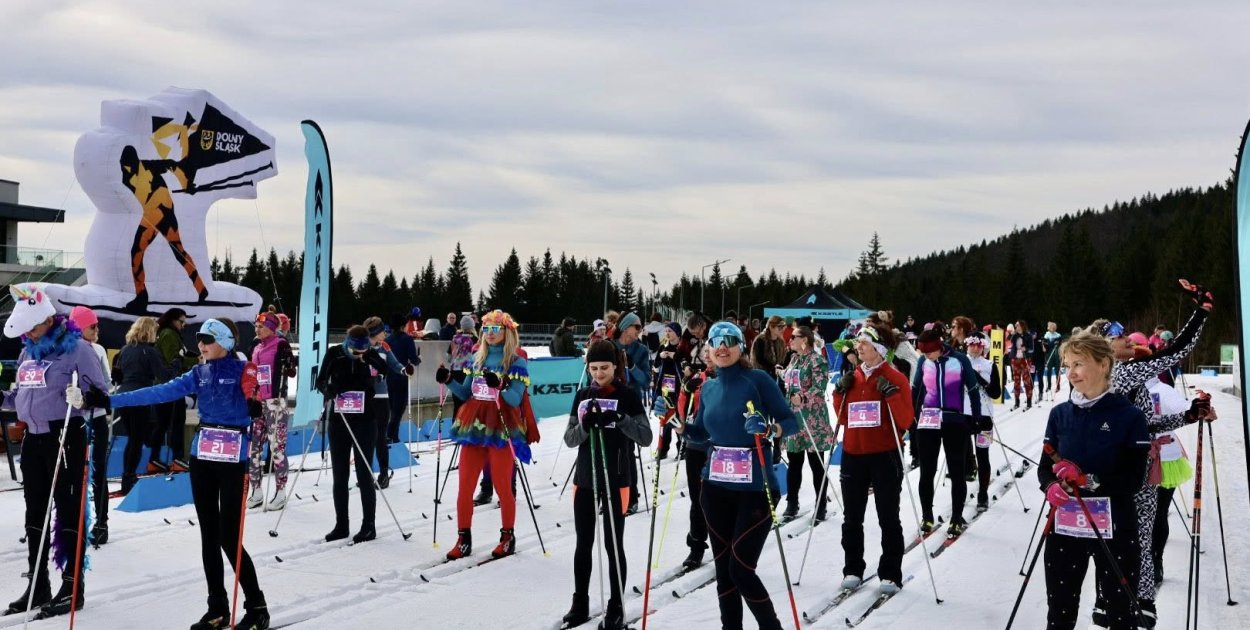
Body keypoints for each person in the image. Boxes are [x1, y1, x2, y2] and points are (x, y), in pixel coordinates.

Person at [85, 318, 271, 629]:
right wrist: (109, 400)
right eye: (199, 340)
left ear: (225, 342)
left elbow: (256, 394)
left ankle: (257, 607)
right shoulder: (199, 373)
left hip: (232, 455)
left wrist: (254, 405)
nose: (200, 345)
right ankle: (217, 607)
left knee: (229, 536)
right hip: (203, 456)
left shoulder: (243, 369)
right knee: (209, 536)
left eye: (207, 340)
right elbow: (157, 392)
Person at [1088, 280, 1213, 628]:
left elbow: (1147, 424)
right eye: (1119, 336)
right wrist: (1200, 312)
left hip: (1142, 471)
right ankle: (1124, 599)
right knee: (1121, 539)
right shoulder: (1118, 373)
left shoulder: (1133, 379)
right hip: (1120, 475)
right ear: (1103, 347)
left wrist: (1188, 415)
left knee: (1139, 538)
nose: (1128, 338)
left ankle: (1137, 600)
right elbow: (1174, 352)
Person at [673, 321, 798, 630]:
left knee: (741, 568)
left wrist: (769, 429)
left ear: (741, 347)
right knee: (724, 572)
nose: (722, 347)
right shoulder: (710, 386)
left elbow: (790, 421)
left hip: (755, 488)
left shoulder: (757, 380)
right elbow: (702, 433)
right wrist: (683, 428)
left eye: (730, 341)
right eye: (716, 341)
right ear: (709, 349)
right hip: (715, 488)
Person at [1, 285, 108, 619]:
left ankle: (72, 587)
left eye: (33, 326)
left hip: (66, 438)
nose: (29, 333)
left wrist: (85, 399)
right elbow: (17, 398)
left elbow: (104, 396)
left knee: (67, 510)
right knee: (35, 513)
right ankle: (38, 584)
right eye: (25, 329)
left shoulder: (79, 350)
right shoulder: (28, 352)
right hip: (33, 440)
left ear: (49, 319)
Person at [1039, 331, 1151, 630]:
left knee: (1119, 614)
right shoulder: (1060, 414)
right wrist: (1052, 486)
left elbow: (1133, 478)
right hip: (1066, 527)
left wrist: (1090, 479)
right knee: (1060, 613)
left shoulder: (1129, 416)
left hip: (1115, 527)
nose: (1071, 373)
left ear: (1103, 364)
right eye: (1067, 365)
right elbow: (1044, 467)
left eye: (1078, 364)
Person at [560, 340, 652, 630]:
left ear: (615, 366)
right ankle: (580, 601)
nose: (599, 374)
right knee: (583, 543)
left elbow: (645, 436)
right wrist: (586, 426)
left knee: (614, 545)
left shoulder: (628, 395)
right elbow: (569, 438)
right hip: (586, 478)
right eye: (594, 368)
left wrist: (621, 419)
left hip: (617, 477)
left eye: (605, 368)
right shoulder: (583, 395)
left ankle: (616, 605)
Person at [436, 310, 530, 560]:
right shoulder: (476, 360)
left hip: (501, 426)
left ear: (507, 332)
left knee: (502, 486)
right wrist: (448, 381)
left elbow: (514, 399)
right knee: (465, 486)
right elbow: (466, 394)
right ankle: (463, 538)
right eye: (486, 329)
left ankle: (507, 536)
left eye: (495, 329)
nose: (489, 334)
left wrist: (499, 386)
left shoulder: (516, 362)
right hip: (474, 426)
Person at [831, 321, 914, 595]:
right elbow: (844, 419)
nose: (858, 347)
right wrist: (838, 394)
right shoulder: (852, 377)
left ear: (878, 348)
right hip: (854, 454)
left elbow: (905, 420)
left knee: (888, 516)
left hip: (884, 455)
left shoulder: (895, 377)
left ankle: (890, 572)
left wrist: (891, 396)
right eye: (858, 343)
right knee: (851, 517)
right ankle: (853, 568)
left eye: (864, 343)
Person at [315, 325, 393, 544]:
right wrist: (326, 389)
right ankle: (342, 524)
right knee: (340, 475)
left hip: (365, 421)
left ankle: (369, 525)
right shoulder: (335, 353)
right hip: (339, 420)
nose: (359, 354)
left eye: (362, 350)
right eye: (355, 351)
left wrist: (369, 364)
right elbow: (320, 380)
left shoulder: (369, 355)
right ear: (348, 344)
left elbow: (385, 372)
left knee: (363, 472)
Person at [118, 145, 210, 311]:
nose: (127, 169)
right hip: (151, 214)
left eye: (129, 165)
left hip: (163, 211)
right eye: (125, 166)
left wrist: (185, 182)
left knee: (176, 252)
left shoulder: (148, 166)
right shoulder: (126, 177)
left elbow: (171, 164)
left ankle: (199, 288)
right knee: (142, 253)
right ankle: (142, 296)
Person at [911, 328, 984, 535]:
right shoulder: (923, 362)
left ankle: (956, 518)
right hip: (928, 421)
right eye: (923, 353)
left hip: (954, 420)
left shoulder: (960, 360)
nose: (926, 356)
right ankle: (926, 517)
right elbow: (916, 390)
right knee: (927, 471)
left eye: (929, 352)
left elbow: (972, 389)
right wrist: (912, 418)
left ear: (939, 347)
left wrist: (976, 418)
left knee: (957, 471)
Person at [780, 325, 834, 522]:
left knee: (816, 464)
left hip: (812, 419)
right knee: (794, 463)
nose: (790, 340)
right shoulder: (794, 359)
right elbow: (788, 382)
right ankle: (792, 503)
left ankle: (821, 505)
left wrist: (803, 397)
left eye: (794, 337)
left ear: (805, 340)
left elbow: (819, 387)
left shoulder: (817, 360)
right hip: (794, 418)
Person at [69, 306, 113, 544]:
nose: (97, 330)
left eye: (97, 325)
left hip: (95, 418)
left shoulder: (97, 349)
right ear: (79, 327)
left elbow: (105, 382)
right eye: (92, 326)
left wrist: (97, 396)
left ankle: (101, 522)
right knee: (74, 472)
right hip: (73, 421)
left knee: (98, 471)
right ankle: (75, 522)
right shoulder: (65, 351)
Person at [112, 316, 170, 496]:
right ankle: (129, 477)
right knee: (137, 440)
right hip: (140, 396)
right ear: (150, 331)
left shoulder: (125, 349)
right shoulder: (149, 351)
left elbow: (118, 376)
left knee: (133, 438)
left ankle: (127, 476)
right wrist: (177, 364)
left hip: (123, 395)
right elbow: (163, 375)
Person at [246, 312, 297, 510]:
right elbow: (251, 372)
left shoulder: (280, 343)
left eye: (261, 326)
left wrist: (288, 362)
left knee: (277, 448)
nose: (257, 330)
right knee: (255, 449)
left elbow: (291, 370)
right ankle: (256, 490)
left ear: (272, 327)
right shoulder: (256, 346)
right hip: (258, 401)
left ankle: (280, 491)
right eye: (256, 326)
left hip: (276, 401)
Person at [674, 311, 711, 570]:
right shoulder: (696, 379)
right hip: (697, 445)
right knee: (697, 499)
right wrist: (686, 389)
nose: (709, 357)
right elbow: (681, 410)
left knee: (718, 500)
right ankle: (696, 546)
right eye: (706, 354)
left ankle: (726, 543)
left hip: (722, 448)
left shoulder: (730, 380)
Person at [361, 317, 410, 490]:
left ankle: (383, 473)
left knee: (380, 436)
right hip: (364, 398)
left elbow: (394, 364)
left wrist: (404, 370)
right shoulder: (361, 346)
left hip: (381, 397)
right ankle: (364, 473)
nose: (386, 333)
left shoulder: (384, 347)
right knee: (364, 437)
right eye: (383, 331)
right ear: (375, 332)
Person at [613, 312, 651, 514]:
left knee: (627, 453)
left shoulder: (641, 350)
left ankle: (631, 498)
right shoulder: (611, 345)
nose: (639, 332)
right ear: (626, 327)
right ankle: (610, 496)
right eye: (637, 328)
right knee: (610, 453)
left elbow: (645, 380)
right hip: (610, 403)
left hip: (630, 404)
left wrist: (632, 366)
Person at [153, 307, 194, 472]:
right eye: (181, 321)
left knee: (163, 423)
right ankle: (177, 458)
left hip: (164, 386)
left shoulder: (167, 334)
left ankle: (154, 459)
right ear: (172, 320)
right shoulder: (169, 335)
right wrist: (195, 361)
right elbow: (173, 361)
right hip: (172, 386)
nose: (183, 325)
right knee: (176, 421)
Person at [964, 333, 1001, 511]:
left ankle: (983, 493)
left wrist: (979, 380)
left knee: (983, 456)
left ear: (984, 347)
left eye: (979, 345)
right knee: (961, 454)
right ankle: (960, 491)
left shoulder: (989, 365)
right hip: (963, 414)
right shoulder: (960, 362)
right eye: (972, 344)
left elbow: (996, 393)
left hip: (984, 415)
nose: (975, 348)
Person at [383, 314, 420, 465]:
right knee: (398, 409)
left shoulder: (386, 340)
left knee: (391, 408)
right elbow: (413, 358)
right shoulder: (407, 339)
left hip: (388, 378)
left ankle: (394, 437)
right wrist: (418, 359)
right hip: (402, 376)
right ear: (402, 325)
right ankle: (389, 436)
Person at [653, 322, 682, 460]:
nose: (667, 334)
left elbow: (684, 362)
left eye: (670, 331)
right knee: (664, 417)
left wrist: (674, 356)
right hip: (665, 386)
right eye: (666, 331)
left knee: (676, 416)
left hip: (679, 386)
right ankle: (662, 449)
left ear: (677, 332)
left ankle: (681, 448)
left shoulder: (682, 347)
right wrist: (661, 357)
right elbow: (655, 366)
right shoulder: (663, 346)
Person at [750, 315, 787, 388]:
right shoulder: (761, 339)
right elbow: (759, 359)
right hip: (761, 374)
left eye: (783, 327)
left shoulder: (780, 341)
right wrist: (773, 367)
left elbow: (783, 358)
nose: (782, 329)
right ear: (771, 327)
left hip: (777, 375)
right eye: (779, 327)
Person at [1007, 320, 1036, 409]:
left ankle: (1029, 401)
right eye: (1016, 325)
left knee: (1027, 381)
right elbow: (1009, 340)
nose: (1016, 327)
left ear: (1022, 326)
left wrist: (1026, 349)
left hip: (1025, 360)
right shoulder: (1015, 335)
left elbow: (1032, 349)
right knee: (1016, 381)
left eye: (1018, 325)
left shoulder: (1028, 336)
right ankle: (1017, 401)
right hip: (1015, 360)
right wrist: (1014, 334)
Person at [1041, 322, 1063, 399]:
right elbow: (1045, 345)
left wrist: (1057, 343)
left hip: (1056, 355)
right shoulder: (1046, 335)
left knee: (1057, 371)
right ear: (1048, 328)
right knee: (1049, 371)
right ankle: (1049, 386)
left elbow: (1060, 343)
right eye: (1051, 327)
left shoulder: (1058, 335)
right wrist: (1045, 344)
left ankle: (1057, 385)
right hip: (1049, 354)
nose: (1053, 328)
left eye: (1054, 327)